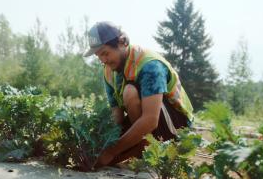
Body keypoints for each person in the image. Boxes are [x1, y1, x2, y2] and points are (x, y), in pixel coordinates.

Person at [83, 21, 194, 167]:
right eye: (99, 56)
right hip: (144, 121)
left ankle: (149, 149)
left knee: (130, 92)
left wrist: (111, 152)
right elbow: (116, 116)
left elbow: (150, 120)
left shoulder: (149, 65)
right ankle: (141, 148)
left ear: (122, 42)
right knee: (101, 155)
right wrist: (104, 143)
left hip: (175, 125)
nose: (103, 60)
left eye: (105, 53)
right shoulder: (109, 70)